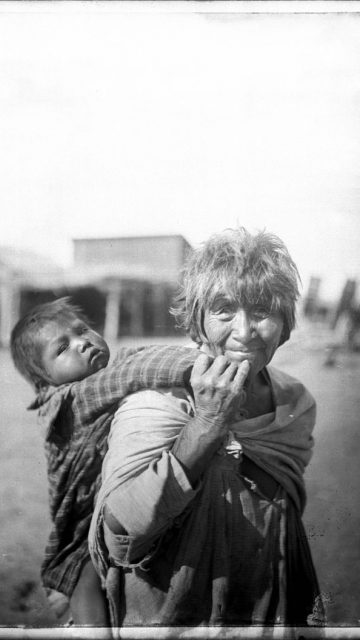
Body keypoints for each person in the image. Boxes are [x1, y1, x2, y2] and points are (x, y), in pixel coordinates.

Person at [89, 228, 325, 628]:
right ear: (196, 323)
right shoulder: (157, 401)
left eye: (263, 311)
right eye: (224, 310)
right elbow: (120, 532)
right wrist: (208, 422)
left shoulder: (294, 402)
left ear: (286, 324)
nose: (244, 331)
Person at [10, 298, 199, 626]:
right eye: (62, 348)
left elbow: (135, 359)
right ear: (45, 382)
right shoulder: (69, 400)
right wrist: (202, 367)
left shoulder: (103, 378)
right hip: (80, 526)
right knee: (84, 574)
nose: (82, 343)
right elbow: (134, 371)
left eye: (82, 330)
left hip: (118, 504)